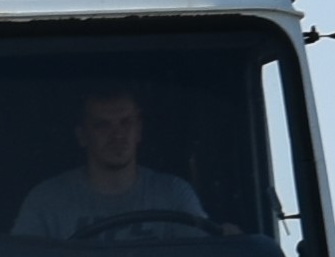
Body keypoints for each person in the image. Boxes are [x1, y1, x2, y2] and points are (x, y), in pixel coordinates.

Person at [14, 86, 215, 242]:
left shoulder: (174, 195)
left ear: (139, 131)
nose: (117, 135)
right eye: (103, 125)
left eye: (126, 122)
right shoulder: (46, 201)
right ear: (82, 136)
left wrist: (230, 243)